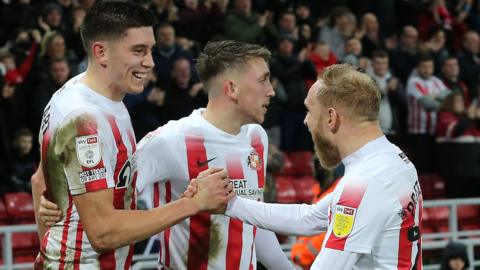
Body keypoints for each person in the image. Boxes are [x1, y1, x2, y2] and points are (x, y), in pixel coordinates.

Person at [38, 40, 291, 269]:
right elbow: (111, 205)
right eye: (263, 80)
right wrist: (60, 201)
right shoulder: (170, 141)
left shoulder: (257, 137)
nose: (270, 90)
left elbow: (252, 226)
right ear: (232, 88)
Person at [31, 2, 232, 269]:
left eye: (150, 50)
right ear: (101, 52)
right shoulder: (84, 119)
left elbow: (38, 182)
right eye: (138, 51)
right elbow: (102, 232)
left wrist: (48, 246)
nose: (149, 62)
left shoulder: (79, 94)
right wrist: (192, 204)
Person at [187, 64, 423, 269]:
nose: (306, 121)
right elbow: (309, 218)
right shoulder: (394, 158)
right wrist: (229, 204)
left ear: (332, 118)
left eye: (310, 111)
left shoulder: (363, 184)